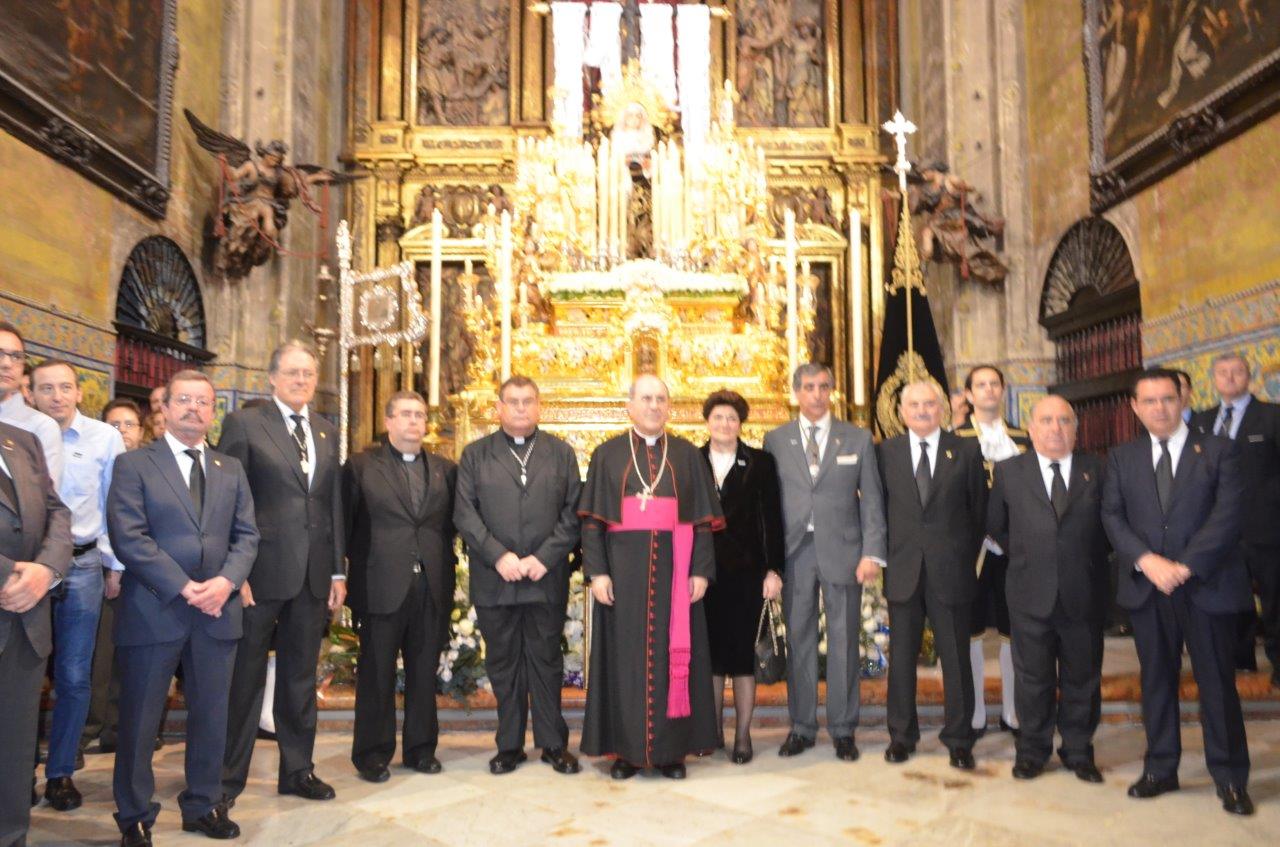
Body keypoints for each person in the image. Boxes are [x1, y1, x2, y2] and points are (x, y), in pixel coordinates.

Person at [108, 370, 259, 844]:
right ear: (166, 409)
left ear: (213, 411)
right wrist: (184, 586)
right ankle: (134, 814)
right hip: (156, 607)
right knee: (141, 718)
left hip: (217, 611)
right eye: (185, 400)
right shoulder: (134, 465)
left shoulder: (229, 468)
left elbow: (248, 535)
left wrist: (225, 582)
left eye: (204, 402)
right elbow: (128, 537)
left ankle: (203, 804)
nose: (194, 409)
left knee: (213, 715)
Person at [1102, 368, 1253, 816]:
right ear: (1134, 407)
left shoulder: (1220, 450)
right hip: (1149, 588)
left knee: (1217, 685)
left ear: (1183, 398)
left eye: (1167, 398)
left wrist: (1185, 567)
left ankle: (1229, 778)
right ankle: (1160, 768)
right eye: (1148, 401)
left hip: (1206, 585)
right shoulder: (1121, 457)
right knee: (1157, 682)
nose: (1159, 408)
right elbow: (1112, 516)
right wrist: (1148, 561)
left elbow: (1228, 516)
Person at [578, 374, 723, 780]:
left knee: (675, 657)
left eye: (661, 398)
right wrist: (598, 573)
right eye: (646, 398)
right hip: (623, 577)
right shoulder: (606, 455)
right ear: (630, 405)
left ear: (670, 406)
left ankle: (671, 752)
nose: (654, 405)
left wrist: (700, 571)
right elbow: (591, 524)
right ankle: (626, 752)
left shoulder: (687, 455)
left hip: (676, 577)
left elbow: (702, 523)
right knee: (624, 662)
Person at [220, 342, 345, 805]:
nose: (301, 380)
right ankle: (226, 778)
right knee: (245, 677)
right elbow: (228, 499)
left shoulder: (327, 431)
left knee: (299, 677)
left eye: (308, 373)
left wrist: (336, 570)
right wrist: (236, 572)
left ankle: (298, 770)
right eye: (292, 373)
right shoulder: (244, 424)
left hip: (312, 576)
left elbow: (331, 505)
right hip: (257, 573)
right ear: (271, 378)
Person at [454, 376, 582, 776]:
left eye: (528, 401)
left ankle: (552, 743)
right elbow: (465, 513)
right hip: (497, 578)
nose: (521, 408)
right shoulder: (475, 455)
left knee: (546, 660)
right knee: (504, 663)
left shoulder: (561, 453)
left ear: (539, 406)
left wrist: (545, 556)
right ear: (499, 408)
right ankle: (508, 745)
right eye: (513, 401)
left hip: (545, 577)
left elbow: (573, 511)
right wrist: (499, 556)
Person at [763, 364, 885, 762]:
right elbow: (768, 503)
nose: (817, 394)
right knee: (798, 640)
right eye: (809, 387)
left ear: (832, 391)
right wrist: (770, 561)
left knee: (844, 638)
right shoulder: (776, 439)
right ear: (796, 392)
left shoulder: (858, 437)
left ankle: (844, 728)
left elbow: (872, 500)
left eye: (824, 387)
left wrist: (872, 553)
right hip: (795, 551)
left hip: (844, 551)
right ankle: (801, 726)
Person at [986, 395, 1108, 782]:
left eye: (1064, 421)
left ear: (1076, 428)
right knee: (1032, 678)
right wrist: (1029, 553)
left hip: (1082, 592)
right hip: (1029, 593)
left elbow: (1108, 528)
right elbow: (996, 526)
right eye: (1046, 420)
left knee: (1082, 678)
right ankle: (1032, 750)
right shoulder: (1009, 471)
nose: (1056, 428)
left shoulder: (1098, 468)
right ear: (1031, 428)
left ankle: (1078, 750)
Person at [343, 391, 457, 782]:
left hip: (431, 583)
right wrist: (340, 576)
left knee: (424, 670)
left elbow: (449, 527)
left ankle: (421, 749)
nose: (413, 422)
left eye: (420, 415)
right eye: (405, 414)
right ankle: (373, 753)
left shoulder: (445, 469)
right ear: (388, 421)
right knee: (376, 672)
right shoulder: (360, 466)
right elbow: (345, 524)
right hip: (380, 584)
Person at [30, 360, 126, 811]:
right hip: (25, 572)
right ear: (30, 394)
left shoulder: (104, 438)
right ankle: (16, 768)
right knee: (22, 673)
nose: (57, 396)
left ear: (79, 393)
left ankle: (61, 772)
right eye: (46, 388)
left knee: (73, 675)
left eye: (65, 387)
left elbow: (114, 505)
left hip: (83, 568)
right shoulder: (17, 433)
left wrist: (114, 565)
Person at [878, 379, 987, 770]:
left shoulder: (966, 450)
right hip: (904, 570)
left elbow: (979, 513)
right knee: (902, 660)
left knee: (956, 660)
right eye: (915, 405)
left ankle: (959, 739)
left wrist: (958, 555)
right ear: (902, 412)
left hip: (951, 571)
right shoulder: (885, 452)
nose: (923, 411)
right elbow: (881, 510)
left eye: (929, 404)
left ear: (941, 408)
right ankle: (901, 737)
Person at [700, 390, 785, 764]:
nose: (724, 424)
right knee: (712, 657)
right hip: (703, 574)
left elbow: (772, 520)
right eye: (718, 418)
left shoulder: (760, 463)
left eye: (731, 418)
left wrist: (774, 570)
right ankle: (713, 729)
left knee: (742, 659)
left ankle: (744, 735)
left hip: (747, 574)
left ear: (740, 423)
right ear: (707, 422)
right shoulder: (691, 460)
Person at [0, 420, 71, 847]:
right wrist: (10, 575)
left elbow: (57, 510)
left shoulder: (20, 439)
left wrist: (47, 569)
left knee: (13, 745)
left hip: (25, 619)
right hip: (16, 592)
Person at [1190, 353, 1280, 683]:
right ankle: (1239, 661)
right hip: (1215, 531)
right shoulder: (1201, 421)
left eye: (1237, 372)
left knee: (1274, 599)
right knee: (1229, 598)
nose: (1230, 378)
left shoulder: (1271, 416)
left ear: (1249, 376)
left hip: (1265, 529)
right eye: (1223, 373)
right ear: (1213, 378)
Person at [955, 365, 1029, 738]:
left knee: (1012, 628)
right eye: (980, 385)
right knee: (970, 630)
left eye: (994, 384)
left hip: (1014, 547)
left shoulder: (1022, 437)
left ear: (1003, 390)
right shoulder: (954, 439)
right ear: (968, 394)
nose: (988, 390)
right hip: (971, 549)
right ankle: (977, 711)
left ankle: (1013, 711)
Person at [84, 399, 161, 759]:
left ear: (141, 431)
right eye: (114, 424)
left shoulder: (151, 467)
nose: (122, 432)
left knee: (134, 656)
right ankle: (92, 727)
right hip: (99, 567)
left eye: (129, 424)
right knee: (100, 656)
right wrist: (112, 565)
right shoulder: (97, 464)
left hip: (143, 573)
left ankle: (120, 728)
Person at [0, 322, 63, 485]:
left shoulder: (41, 427)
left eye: (16, 356)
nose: (7, 364)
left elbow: (45, 500)